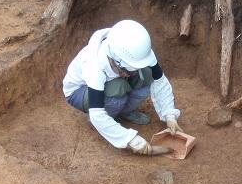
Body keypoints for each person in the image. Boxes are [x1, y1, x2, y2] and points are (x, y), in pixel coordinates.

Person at [62, 19, 183, 155]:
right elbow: (97, 113)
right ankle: (110, 119)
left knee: (146, 74)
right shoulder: (93, 66)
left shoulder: (137, 50)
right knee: (118, 87)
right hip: (79, 91)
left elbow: (159, 81)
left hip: (111, 82)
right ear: (117, 61)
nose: (134, 71)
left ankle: (123, 111)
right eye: (131, 68)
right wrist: (131, 140)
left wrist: (169, 115)